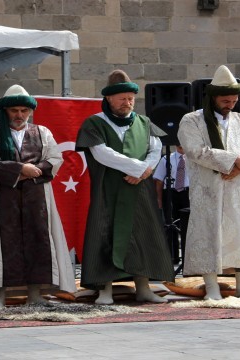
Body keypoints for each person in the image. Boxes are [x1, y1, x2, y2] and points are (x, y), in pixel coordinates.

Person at [0, 84, 75, 308]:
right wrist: (21, 170)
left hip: (37, 200)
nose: (19, 115)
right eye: (14, 110)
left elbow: (55, 159)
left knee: (39, 241)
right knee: (0, 246)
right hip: (1, 202)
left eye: (24, 111)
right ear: (5, 111)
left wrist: (29, 172)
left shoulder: (43, 133)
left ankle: (36, 294)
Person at [75, 69, 174, 305]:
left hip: (139, 192)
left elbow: (155, 150)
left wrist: (143, 172)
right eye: (122, 98)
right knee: (105, 236)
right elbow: (102, 154)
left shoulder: (144, 122)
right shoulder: (95, 123)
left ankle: (143, 288)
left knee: (141, 236)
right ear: (109, 99)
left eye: (130, 98)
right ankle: (105, 291)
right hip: (108, 192)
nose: (127, 103)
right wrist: (137, 169)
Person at [177, 65, 240, 300]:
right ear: (212, 98)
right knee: (209, 235)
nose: (230, 104)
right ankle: (211, 287)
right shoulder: (192, 120)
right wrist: (234, 161)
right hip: (209, 189)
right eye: (225, 100)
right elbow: (196, 151)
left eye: (233, 100)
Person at [153, 145, 190, 264]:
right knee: (171, 223)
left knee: (188, 225)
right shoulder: (166, 159)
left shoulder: (193, 158)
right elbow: (159, 180)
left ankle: (188, 258)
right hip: (171, 193)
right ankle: (173, 257)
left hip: (188, 193)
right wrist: (158, 199)